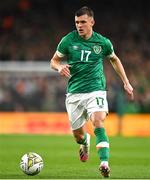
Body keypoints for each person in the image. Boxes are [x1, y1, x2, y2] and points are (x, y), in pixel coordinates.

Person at [50, 6, 134, 178]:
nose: (79, 25)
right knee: (78, 136)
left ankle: (104, 163)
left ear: (92, 22)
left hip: (96, 90)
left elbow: (114, 59)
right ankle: (84, 142)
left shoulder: (102, 42)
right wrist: (59, 67)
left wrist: (126, 82)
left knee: (98, 120)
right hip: (74, 93)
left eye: (83, 22)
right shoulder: (68, 40)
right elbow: (54, 60)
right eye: (77, 22)